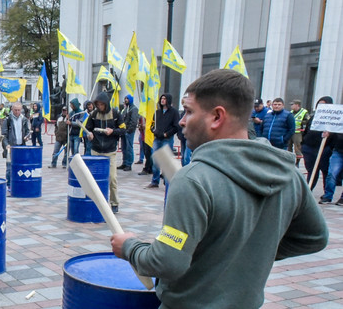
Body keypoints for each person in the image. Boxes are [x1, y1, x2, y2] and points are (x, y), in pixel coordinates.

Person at [110, 69, 328, 309]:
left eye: (189, 111)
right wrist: (247, 255)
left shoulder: (193, 180)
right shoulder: (289, 175)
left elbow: (166, 261)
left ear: (217, 117)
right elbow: (315, 237)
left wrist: (129, 246)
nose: (182, 120)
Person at [84, 91, 125, 212]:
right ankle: (96, 201)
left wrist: (113, 131)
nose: (100, 107)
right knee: (94, 178)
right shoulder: (93, 114)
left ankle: (114, 203)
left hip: (110, 151)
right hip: (96, 150)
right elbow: (88, 129)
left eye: (102, 104)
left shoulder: (116, 113)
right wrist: (89, 135)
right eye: (98, 104)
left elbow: (123, 130)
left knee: (112, 178)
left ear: (106, 104)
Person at [146, 94, 179, 189]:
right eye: (161, 98)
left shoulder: (174, 112)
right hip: (157, 139)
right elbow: (152, 124)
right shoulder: (157, 112)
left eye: (164, 99)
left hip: (167, 139)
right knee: (155, 159)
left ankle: (167, 181)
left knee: (166, 160)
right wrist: (153, 130)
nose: (162, 100)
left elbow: (176, 126)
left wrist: (166, 134)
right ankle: (155, 181)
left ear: (168, 100)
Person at [302, 96, 334, 192]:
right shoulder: (313, 117)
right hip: (309, 147)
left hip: (324, 148)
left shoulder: (333, 119)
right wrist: (303, 142)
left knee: (325, 171)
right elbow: (307, 130)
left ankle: (327, 193)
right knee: (311, 170)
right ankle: (309, 189)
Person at [2, 102, 31, 189]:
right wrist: (6, 145)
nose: (17, 112)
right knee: (9, 167)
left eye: (19, 110)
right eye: (15, 110)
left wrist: (26, 137)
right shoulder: (8, 120)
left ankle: (19, 183)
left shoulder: (24, 119)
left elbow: (27, 131)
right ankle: (9, 184)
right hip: (11, 147)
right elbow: (4, 135)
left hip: (21, 146)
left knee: (21, 166)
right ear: (12, 109)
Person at [118, 95, 139, 171]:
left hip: (129, 132)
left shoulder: (134, 109)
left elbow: (133, 121)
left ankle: (129, 164)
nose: (126, 100)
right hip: (124, 131)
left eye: (127, 98)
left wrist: (129, 130)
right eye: (125, 98)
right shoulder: (126, 109)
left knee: (129, 148)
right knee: (123, 148)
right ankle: (124, 162)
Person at [289, 99, 309, 167]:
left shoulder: (304, 112)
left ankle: (297, 162)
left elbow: (307, 121)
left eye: (292, 105)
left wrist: (302, 124)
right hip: (290, 131)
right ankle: (289, 161)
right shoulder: (291, 112)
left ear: (297, 105)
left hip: (298, 132)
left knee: (298, 147)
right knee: (289, 147)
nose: (291, 106)